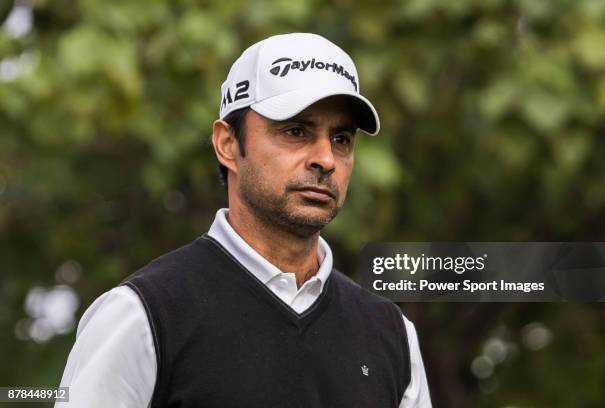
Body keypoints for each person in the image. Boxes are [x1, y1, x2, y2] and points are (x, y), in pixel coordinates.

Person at [56, 33, 431, 407]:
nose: (326, 159)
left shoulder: (392, 335)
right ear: (228, 145)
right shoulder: (143, 315)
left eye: (341, 139)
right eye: (296, 131)